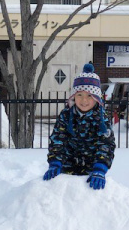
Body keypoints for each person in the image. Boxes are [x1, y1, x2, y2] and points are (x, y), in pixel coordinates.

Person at [42, 63, 116, 191]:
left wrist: (100, 168)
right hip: (66, 170)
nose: (84, 100)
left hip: (91, 173)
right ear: (73, 97)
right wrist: (55, 162)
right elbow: (57, 140)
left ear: (97, 98)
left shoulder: (101, 119)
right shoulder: (66, 115)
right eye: (79, 95)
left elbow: (106, 144)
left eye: (89, 96)